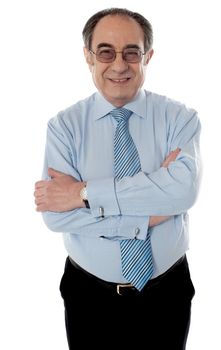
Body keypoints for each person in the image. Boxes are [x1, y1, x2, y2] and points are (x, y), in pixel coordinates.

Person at [34, 7, 201, 350]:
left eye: (132, 52)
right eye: (106, 51)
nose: (120, 65)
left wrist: (82, 193)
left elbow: (183, 193)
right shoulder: (64, 127)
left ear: (147, 57)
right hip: (88, 295)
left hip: (167, 292)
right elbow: (56, 215)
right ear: (88, 57)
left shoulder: (180, 119)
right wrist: (149, 213)